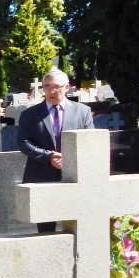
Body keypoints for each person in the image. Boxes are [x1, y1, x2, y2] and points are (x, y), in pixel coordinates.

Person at [17, 68, 94, 232]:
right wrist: (49, 156)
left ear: (67, 87)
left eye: (56, 87)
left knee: (77, 223)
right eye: (47, 86)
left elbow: (89, 141)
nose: (51, 91)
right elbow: (23, 142)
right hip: (42, 173)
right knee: (46, 228)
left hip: (74, 175)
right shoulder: (29, 115)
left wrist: (68, 159)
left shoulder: (83, 111)